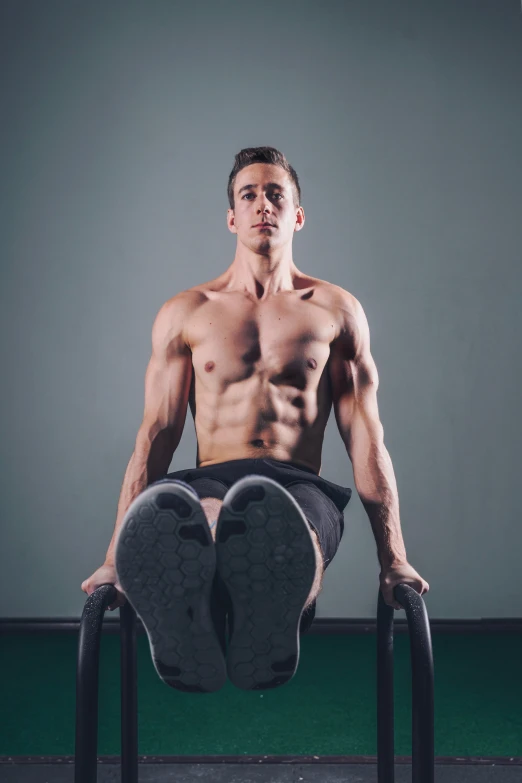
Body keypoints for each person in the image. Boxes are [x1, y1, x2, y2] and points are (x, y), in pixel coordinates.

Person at [81, 146, 429, 692]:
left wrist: (395, 559)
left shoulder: (335, 311)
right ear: (231, 217)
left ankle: (269, 614)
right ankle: (193, 618)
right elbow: (157, 435)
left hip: (297, 486)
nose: (262, 204)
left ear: (297, 215)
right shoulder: (187, 313)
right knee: (210, 512)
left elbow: (365, 434)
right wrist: (112, 560)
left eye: (275, 194)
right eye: (249, 195)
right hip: (210, 477)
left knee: (288, 530)